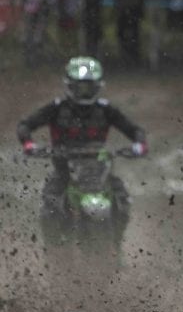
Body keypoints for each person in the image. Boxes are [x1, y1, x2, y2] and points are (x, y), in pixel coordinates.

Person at [17, 56, 147, 225]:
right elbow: (25, 125)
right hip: (64, 170)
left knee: (122, 202)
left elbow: (135, 130)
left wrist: (139, 145)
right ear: (69, 86)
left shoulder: (106, 109)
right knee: (50, 208)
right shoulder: (57, 108)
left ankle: (116, 239)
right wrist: (29, 144)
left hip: (100, 171)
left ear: (98, 87)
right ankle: (54, 241)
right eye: (80, 88)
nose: (84, 93)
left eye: (89, 88)